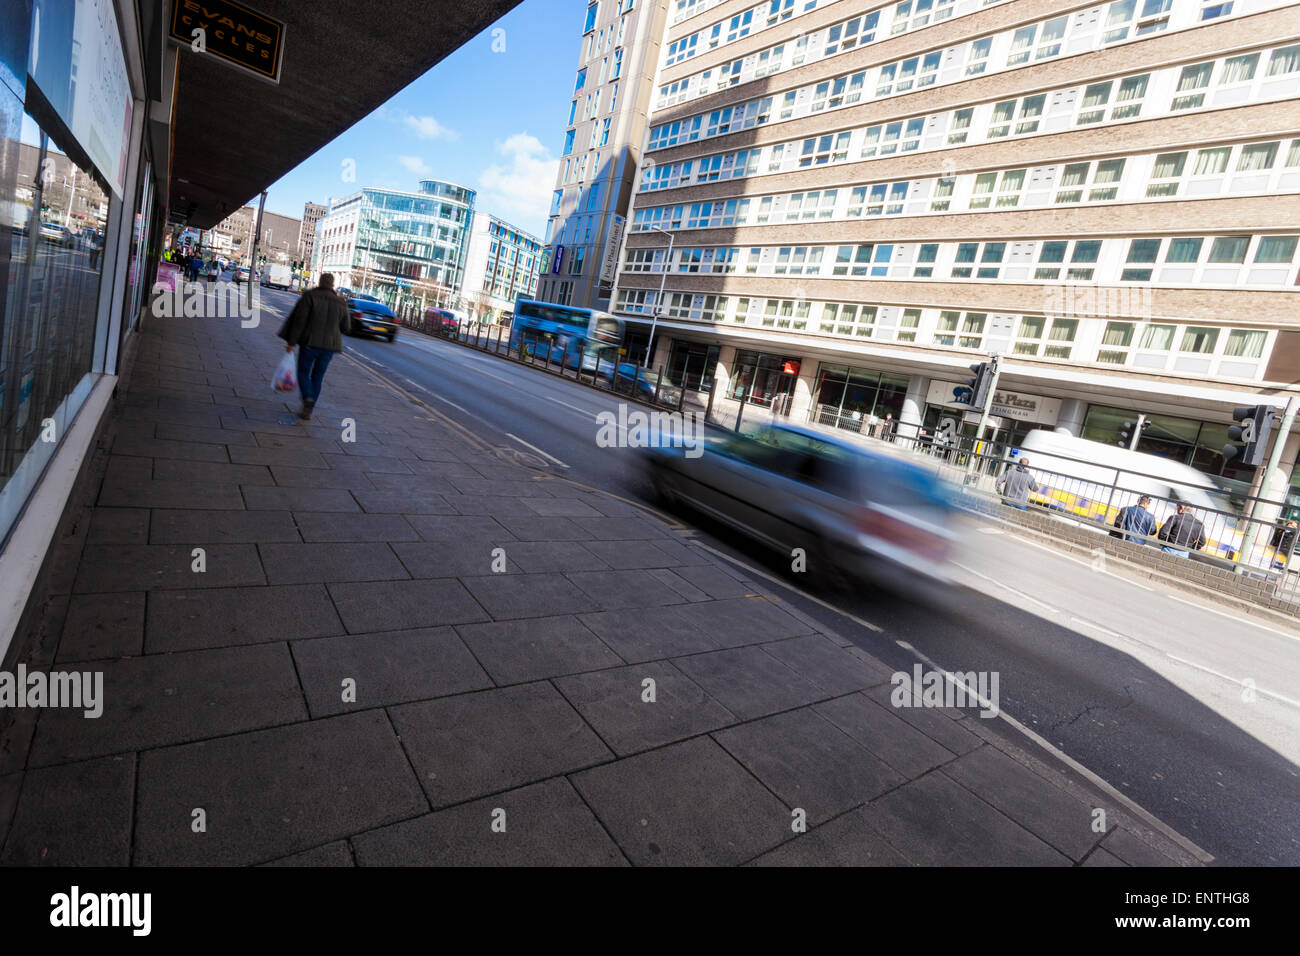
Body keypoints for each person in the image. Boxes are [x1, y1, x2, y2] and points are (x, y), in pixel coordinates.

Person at [277, 272, 351, 420]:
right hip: (329, 347)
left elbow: (299, 321)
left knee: (303, 373)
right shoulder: (341, 302)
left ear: (320, 282)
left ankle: (307, 397)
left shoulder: (310, 296)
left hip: (310, 343)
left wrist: (291, 342)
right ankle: (308, 411)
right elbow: (346, 327)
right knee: (318, 377)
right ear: (332, 285)